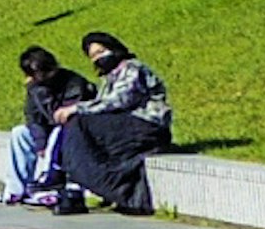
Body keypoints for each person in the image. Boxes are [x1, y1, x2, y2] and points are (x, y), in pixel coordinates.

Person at [45, 32, 171, 216]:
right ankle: (74, 185)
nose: (99, 58)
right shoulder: (109, 79)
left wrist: (76, 108)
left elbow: (118, 101)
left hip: (147, 126)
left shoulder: (133, 69)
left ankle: (73, 186)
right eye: (93, 56)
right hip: (123, 126)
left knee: (79, 123)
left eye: (101, 51)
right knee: (77, 128)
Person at [0, 44, 93, 206]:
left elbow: (65, 115)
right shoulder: (35, 88)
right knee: (19, 133)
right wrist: (40, 142)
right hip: (48, 130)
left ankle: (47, 185)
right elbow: (33, 117)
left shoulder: (74, 83)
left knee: (58, 133)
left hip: (71, 132)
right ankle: (16, 189)